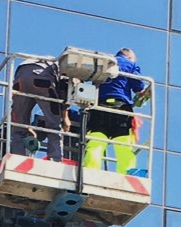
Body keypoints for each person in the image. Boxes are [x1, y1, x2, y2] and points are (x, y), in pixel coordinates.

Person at [83, 46, 149, 176]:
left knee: (96, 143)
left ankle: (89, 172)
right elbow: (138, 87)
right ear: (129, 57)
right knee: (124, 147)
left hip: (99, 108)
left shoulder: (103, 63)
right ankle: (127, 174)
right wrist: (146, 93)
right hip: (121, 110)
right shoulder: (130, 64)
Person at [9, 56, 69, 160]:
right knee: (54, 126)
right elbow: (63, 92)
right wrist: (65, 117)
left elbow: (16, 107)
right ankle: (55, 159)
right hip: (42, 80)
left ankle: (17, 158)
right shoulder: (66, 69)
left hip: (20, 80)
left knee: (18, 127)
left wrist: (26, 126)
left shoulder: (44, 60)